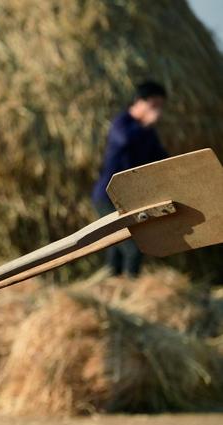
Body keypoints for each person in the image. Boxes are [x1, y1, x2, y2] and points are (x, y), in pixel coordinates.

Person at [91, 80, 169, 277]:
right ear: (139, 102)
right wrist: (145, 126)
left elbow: (160, 156)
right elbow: (123, 140)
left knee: (117, 246)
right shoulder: (122, 123)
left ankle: (114, 286)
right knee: (132, 248)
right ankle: (130, 288)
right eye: (153, 105)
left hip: (128, 196)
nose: (157, 111)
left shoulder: (148, 133)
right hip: (108, 195)